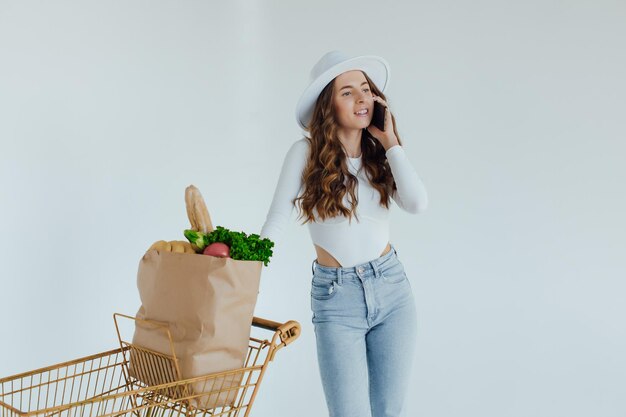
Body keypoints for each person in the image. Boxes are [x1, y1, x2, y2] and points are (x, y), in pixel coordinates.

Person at [259, 50, 428, 417]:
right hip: (338, 300)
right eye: (347, 92)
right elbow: (277, 217)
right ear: (328, 105)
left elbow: (417, 203)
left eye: (366, 89)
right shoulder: (304, 153)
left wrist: (391, 141)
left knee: (389, 411)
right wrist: (248, 267)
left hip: (393, 290)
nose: (361, 98)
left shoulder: (379, 154)